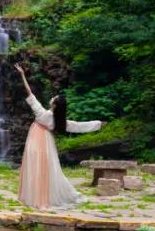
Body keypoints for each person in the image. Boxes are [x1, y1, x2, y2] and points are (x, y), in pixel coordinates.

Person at [13, 64, 103, 209]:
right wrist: (98, 124)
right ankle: (42, 196)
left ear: (54, 104)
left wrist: (22, 74)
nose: (52, 97)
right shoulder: (59, 121)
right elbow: (79, 126)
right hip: (47, 141)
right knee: (46, 168)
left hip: (35, 140)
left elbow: (29, 93)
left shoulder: (42, 114)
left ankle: (34, 197)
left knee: (34, 166)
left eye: (53, 98)